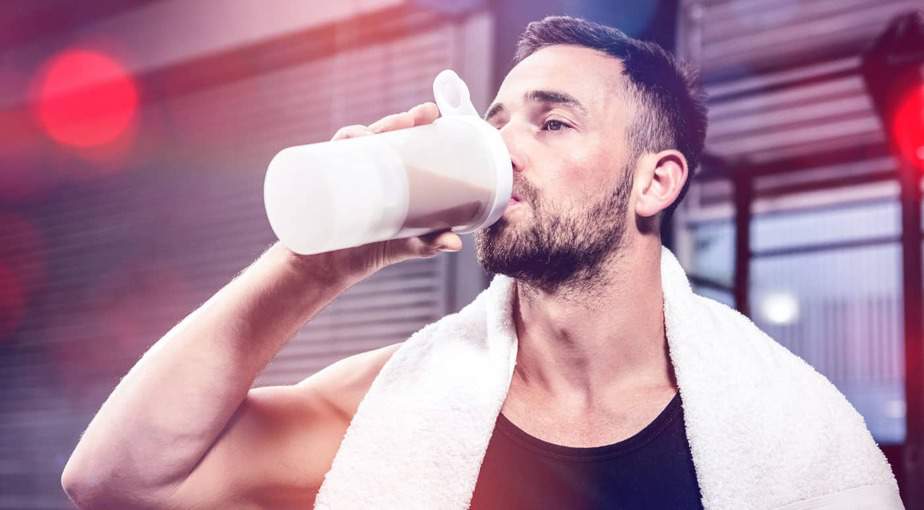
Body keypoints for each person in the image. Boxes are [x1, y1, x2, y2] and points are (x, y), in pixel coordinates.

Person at [60, 16, 889, 510]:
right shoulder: (397, 405)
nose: (504, 148)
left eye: (552, 123)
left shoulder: (787, 428)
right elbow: (116, 480)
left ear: (654, 181)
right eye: (496, 124)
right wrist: (311, 265)